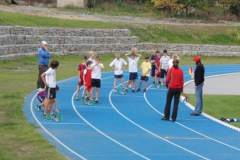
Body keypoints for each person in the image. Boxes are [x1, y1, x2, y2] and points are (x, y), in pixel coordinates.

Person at [162, 58, 184, 122]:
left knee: (168, 102)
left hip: (172, 88)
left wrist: (166, 85)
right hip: (178, 88)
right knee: (176, 104)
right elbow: (182, 80)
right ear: (178, 63)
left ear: (173, 63)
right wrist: (182, 89)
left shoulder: (171, 69)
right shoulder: (181, 71)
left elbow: (168, 78)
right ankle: (174, 118)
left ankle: (166, 116)